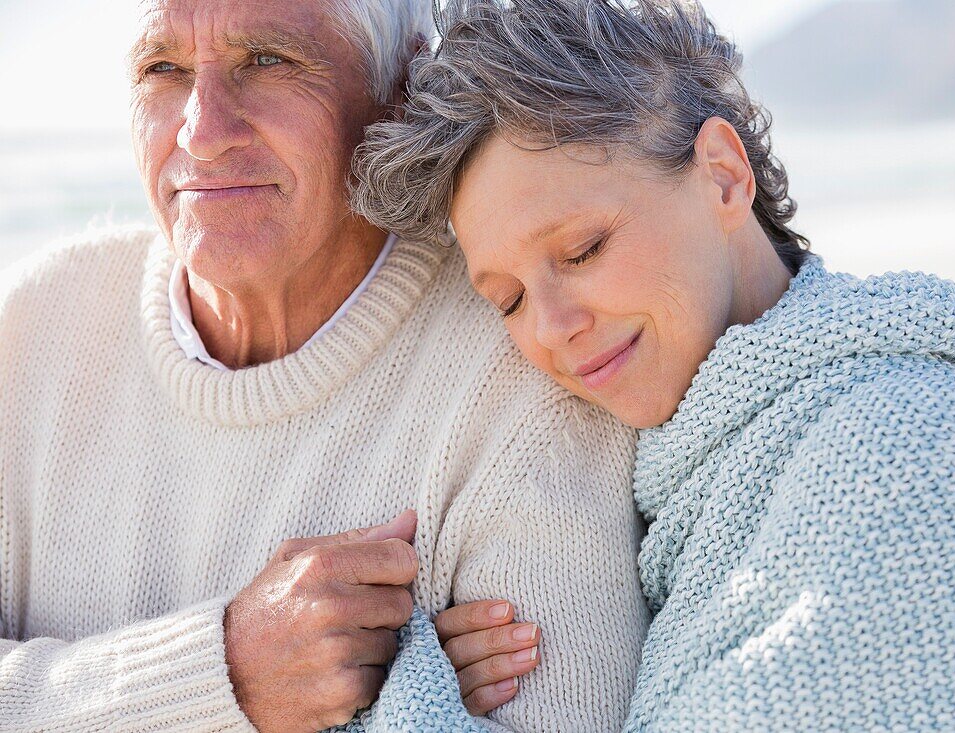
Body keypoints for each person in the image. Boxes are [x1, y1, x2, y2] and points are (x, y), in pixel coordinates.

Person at [354, 0, 955, 729]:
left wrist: (391, 690)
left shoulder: (911, 446)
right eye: (509, 299)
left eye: (583, 250)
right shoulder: (661, 481)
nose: (553, 328)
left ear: (722, 176)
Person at [0, 0, 651, 730]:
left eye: (268, 61)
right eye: (164, 69)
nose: (202, 133)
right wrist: (227, 677)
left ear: (403, 87)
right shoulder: (29, 329)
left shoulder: (529, 372)